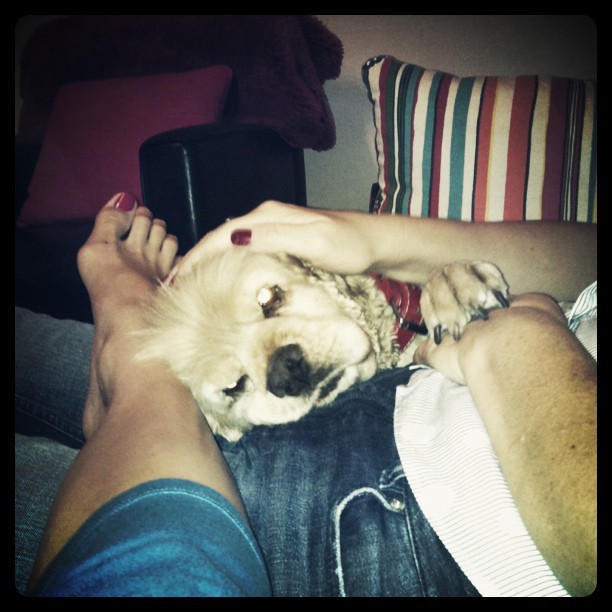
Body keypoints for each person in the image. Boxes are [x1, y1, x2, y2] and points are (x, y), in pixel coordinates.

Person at [15, 196, 596, 597]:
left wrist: (521, 336)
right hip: (396, 404)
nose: (283, 368)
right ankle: (138, 367)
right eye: (271, 301)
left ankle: (132, 358)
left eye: (271, 302)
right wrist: (370, 239)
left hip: (389, 518)